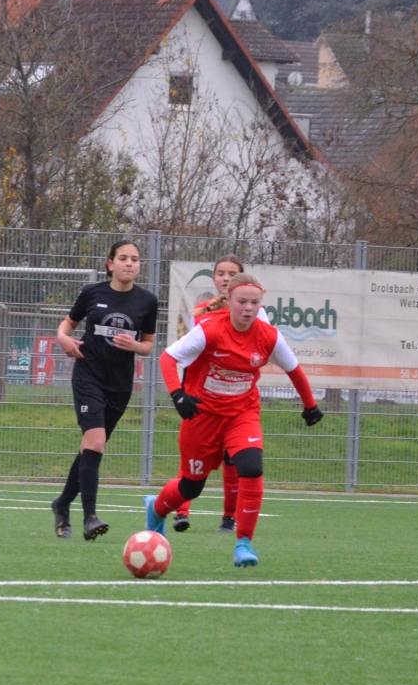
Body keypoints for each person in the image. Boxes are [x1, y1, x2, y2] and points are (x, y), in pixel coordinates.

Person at [142, 275, 323, 568]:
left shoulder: (268, 336)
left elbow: (295, 370)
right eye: (242, 302)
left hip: (242, 414)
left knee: (251, 468)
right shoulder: (210, 330)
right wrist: (178, 394)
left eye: (255, 302)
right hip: (203, 416)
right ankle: (157, 508)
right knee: (191, 487)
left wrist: (310, 405)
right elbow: (167, 358)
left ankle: (243, 545)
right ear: (228, 301)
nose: (248, 308)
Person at [50, 239, 157, 540]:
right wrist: (63, 340)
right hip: (88, 376)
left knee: (89, 449)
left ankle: (61, 504)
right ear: (110, 263)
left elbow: (148, 345)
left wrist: (136, 345)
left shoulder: (147, 302)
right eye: (123, 258)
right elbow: (66, 326)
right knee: (95, 443)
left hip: (120, 385)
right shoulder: (92, 293)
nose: (129, 264)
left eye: (135, 259)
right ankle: (90, 518)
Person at [175, 255, 246, 534]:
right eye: (220, 273)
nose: (226, 278)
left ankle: (229, 517)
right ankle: (181, 510)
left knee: (232, 456)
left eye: (232, 274)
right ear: (214, 279)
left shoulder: (251, 312)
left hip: (234, 397)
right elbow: (185, 353)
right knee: (193, 455)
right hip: (200, 392)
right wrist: (182, 391)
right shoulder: (201, 311)